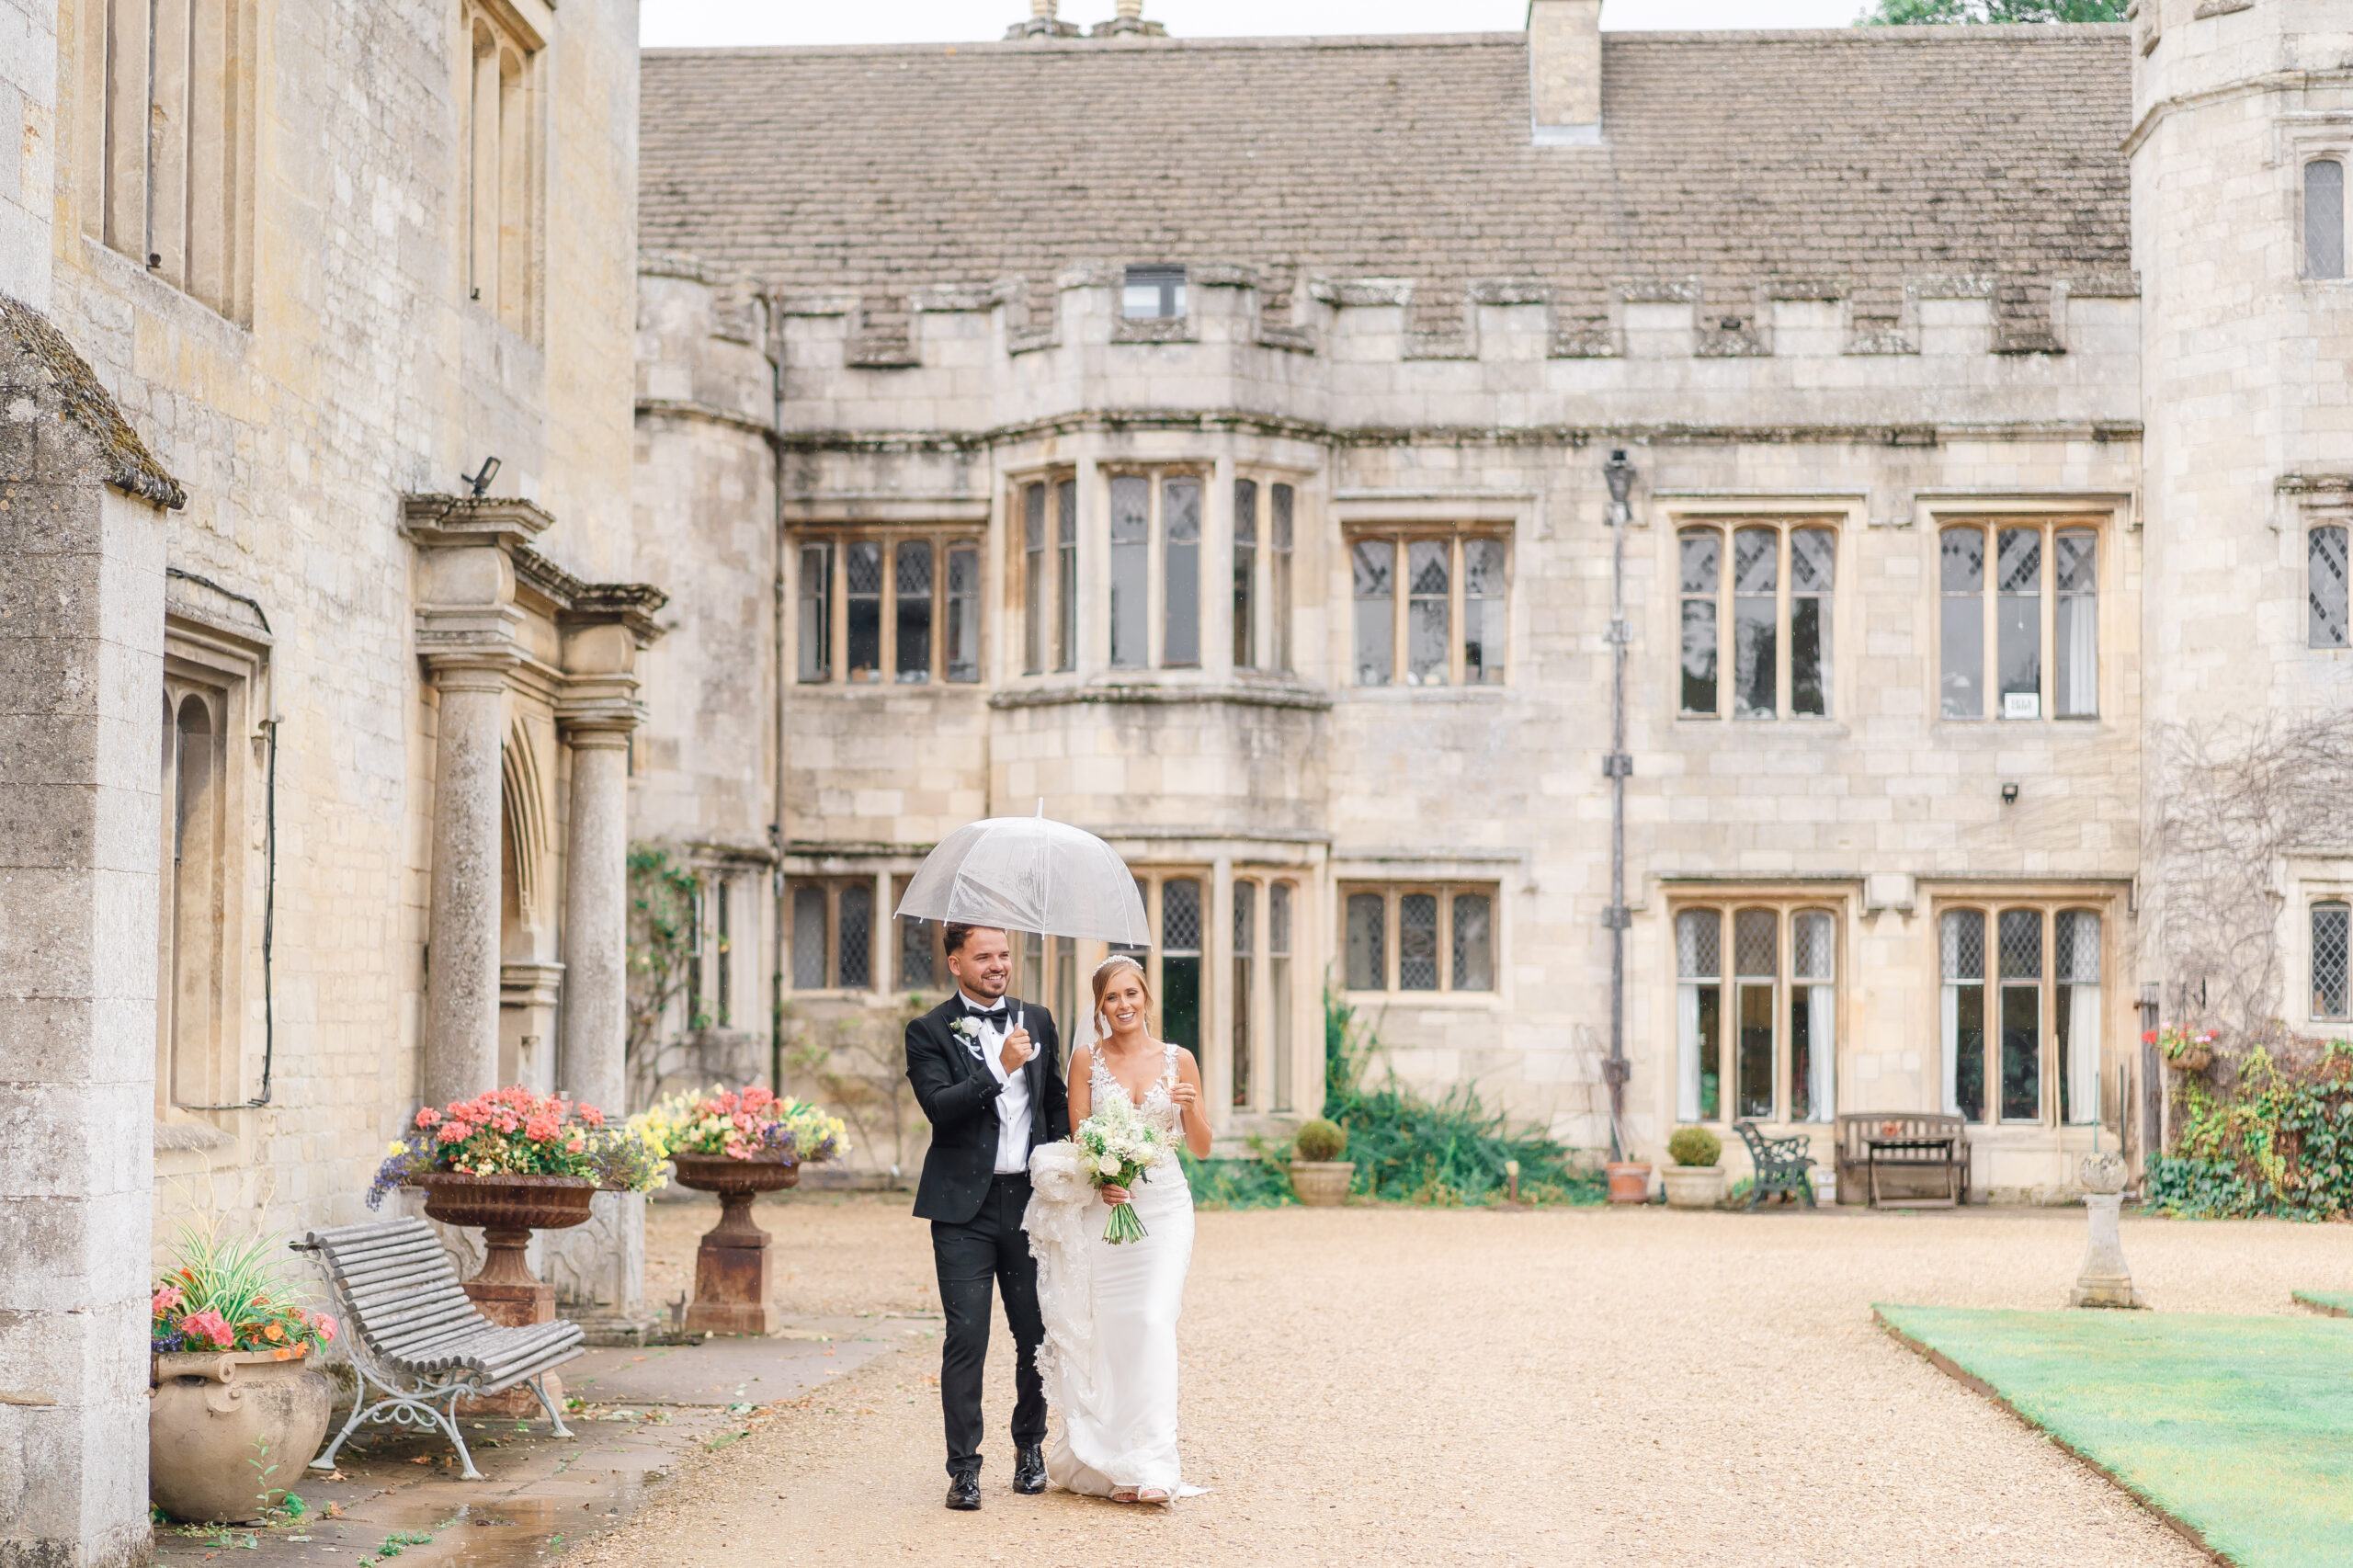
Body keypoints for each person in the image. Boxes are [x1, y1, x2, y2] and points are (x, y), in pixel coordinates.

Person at [1023, 952, 1213, 1506]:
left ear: (1146, 997)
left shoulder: (1180, 1060)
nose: (1123, 1005)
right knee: (1111, 1330)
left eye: (1131, 994)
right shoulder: (1086, 1059)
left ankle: (1155, 1463)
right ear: (1100, 1005)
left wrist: (1191, 1107)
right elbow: (1081, 1140)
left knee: (1154, 1320)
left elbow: (1200, 1146)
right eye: (1112, 997)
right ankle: (1115, 1464)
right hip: (1105, 1211)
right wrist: (1103, 1176)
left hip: (1165, 1208)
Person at [904, 923, 1070, 1512]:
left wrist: (1071, 1167)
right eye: (983, 956)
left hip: (1030, 1203)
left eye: (1004, 954)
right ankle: (964, 1470)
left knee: (1035, 1335)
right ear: (956, 963)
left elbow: (1055, 1101)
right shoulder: (927, 1031)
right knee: (967, 1337)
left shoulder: (1040, 1018)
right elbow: (939, 1109)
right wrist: (998, 1067)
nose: (998, 965)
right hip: (960, 1210)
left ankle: (1030, 1449)